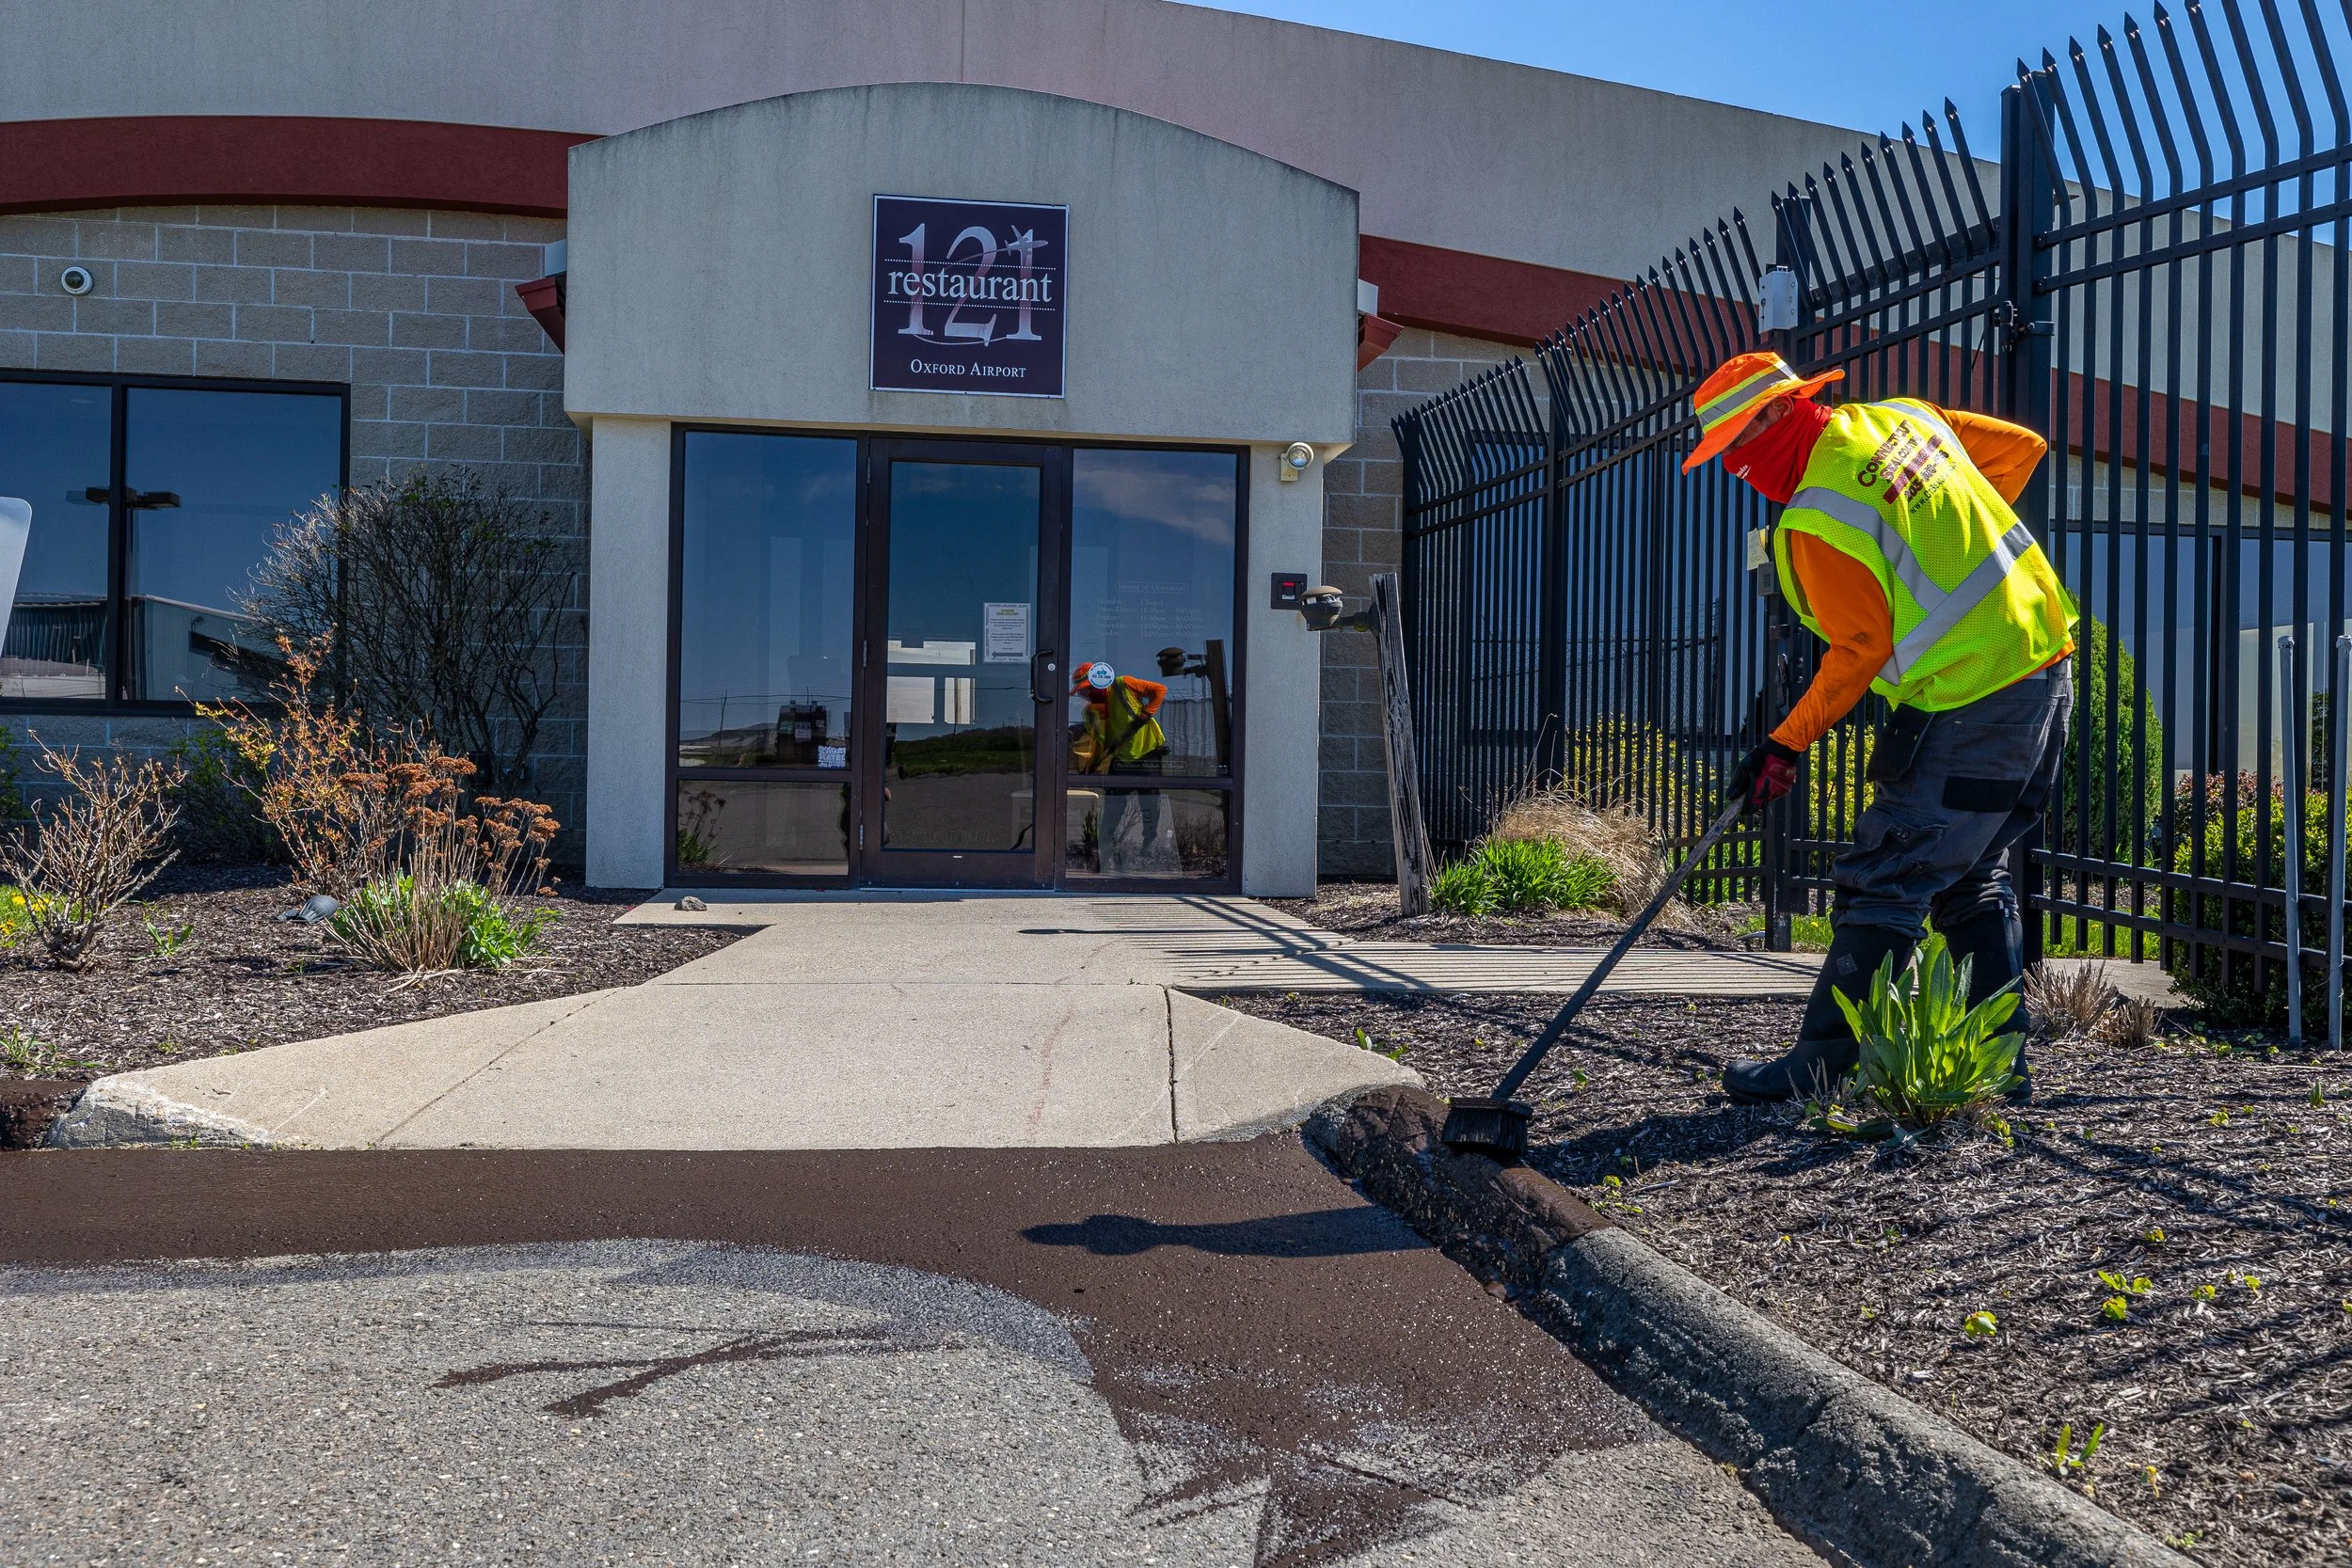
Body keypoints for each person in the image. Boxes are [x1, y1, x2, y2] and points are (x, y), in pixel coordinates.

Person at [1686, 351, 2079, 1103]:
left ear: (1777, 412)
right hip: (2042, 659)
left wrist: (1784, 742)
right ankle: (2001, 1069)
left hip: (1975, 690)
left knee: (1888, 871)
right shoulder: (1902, 418)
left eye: (1735, 444)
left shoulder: (1816, 518)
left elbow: (1859, 649)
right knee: (1968, 871)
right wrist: (1952, 537)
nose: (1734, 468)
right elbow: (2021, 448)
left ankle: (1824, 1062)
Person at [1071, 661, 1171, 871]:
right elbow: (1098, 741)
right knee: (1114, 804)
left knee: (1149, 802)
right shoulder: (1091, 711)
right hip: (1121, 758)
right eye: (1082, 692)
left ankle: (1149, 846)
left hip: (1148, 752)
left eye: (1087, 689)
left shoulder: (1123, 684)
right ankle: (1105, 850)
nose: (1086, 695)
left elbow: (1160, 690)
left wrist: (1144, 715)